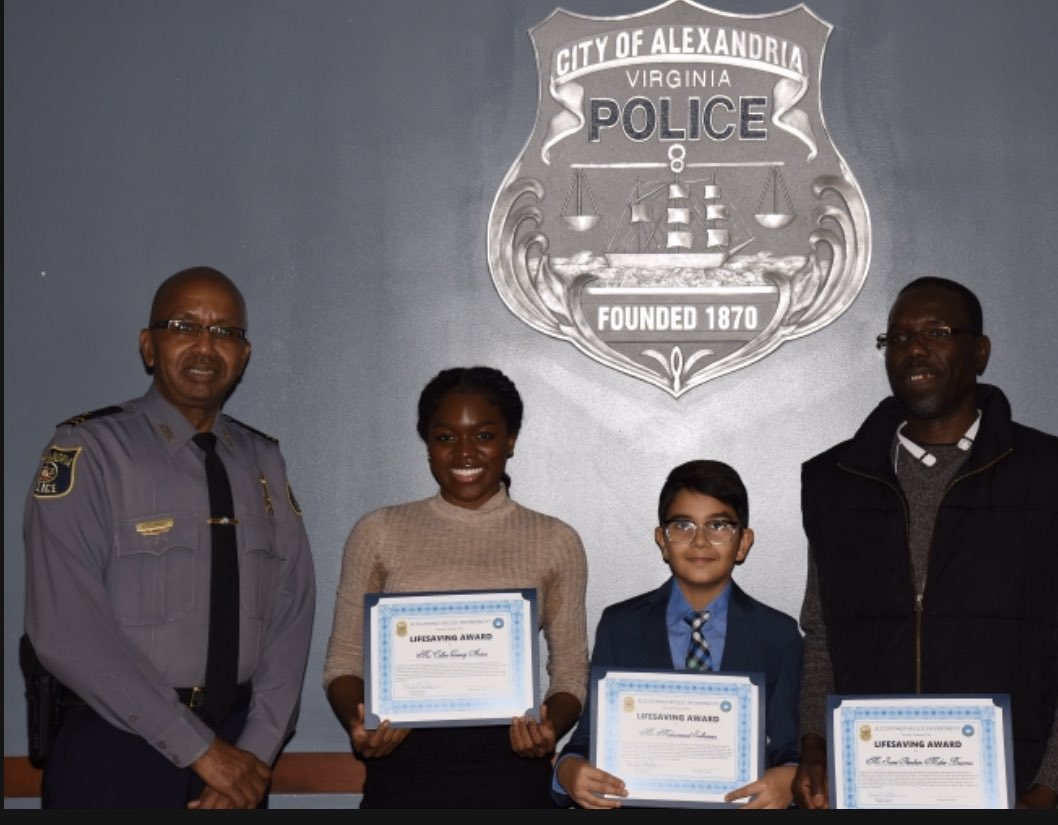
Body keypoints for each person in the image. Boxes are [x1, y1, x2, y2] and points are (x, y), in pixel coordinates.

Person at [792, 276, 1058, 809]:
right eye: (897, 338)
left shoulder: (1056, 477)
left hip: (1020, 793)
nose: (915, 348)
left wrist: (1049, 789)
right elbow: (823, 637)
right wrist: (814, 745)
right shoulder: (835, 482)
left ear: (980, 351)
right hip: (873, 790)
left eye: (937, 331)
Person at [22, 266, 317, 809]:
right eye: (184, 325)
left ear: (244, 355)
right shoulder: (89, 454)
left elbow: (291, 618)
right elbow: (68, 631)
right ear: (149, 346)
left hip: (236, 754)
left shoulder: (263, 461)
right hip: (115, 748)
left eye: (226, 332)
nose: (206, 346)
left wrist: (251, 755)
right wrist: (202, 751)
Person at [323, 365, 589, 808]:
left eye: (483, 435)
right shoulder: (379, 532)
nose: (464, 453)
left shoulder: (555, 540)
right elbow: (343, 662)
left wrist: (548, 728)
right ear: (427, 445)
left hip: (514, 778)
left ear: (510, 440)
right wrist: (360, 723)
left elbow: (570, 673)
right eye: (446, 437)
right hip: (401, 776)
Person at [552, 459, 803, 809]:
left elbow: (790, 743)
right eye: (683, 525)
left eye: (718, 525)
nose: (700, 540)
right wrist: (568, 770)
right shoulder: (620, 625)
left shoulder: (778, 634)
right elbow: (589, 736)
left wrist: (790, 776)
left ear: (743, 542)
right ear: (663, 540)